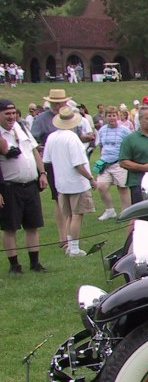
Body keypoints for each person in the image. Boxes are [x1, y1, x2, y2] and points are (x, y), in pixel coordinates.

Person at [0, 98, 48, 273]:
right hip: (9, 186)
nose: (11, 117)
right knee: (10, 227)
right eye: (7, 114)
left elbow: (34, 150)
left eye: (13, 113)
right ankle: (14, 265)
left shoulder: (21, 128)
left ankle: (35, 263)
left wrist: (42, 173)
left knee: (32, 225)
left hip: (30, 185)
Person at [42, 106, 96, 256]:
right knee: (77, 214)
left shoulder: (52, 137)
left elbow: (47, 160)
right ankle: (74, 248)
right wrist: (91, 179)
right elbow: (78, 164)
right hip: (76, 183)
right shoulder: (72, 138)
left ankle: (68, 243)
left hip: (61, 182)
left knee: (68, 215)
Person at [31, 88, 70, 249]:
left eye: (60, 103)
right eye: (54, 103)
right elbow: (33, 141)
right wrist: (45, 148)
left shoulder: (70, 116)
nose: (57, 106)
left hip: (69, 162)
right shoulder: (41, 119)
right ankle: (63, 238)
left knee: (71, 200)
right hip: (53, 164)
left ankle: (72, 235)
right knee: (59, 199)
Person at [94, 106, 133, 219]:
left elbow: (130, 146)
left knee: (122, 188)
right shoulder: (102, 130)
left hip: (119, 163)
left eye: (114, 115)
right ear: (106, 117)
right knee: (101, 186)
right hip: (105, 163)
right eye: (109, 116)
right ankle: (109, 210)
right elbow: (101, 146)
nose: (112, 118)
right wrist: (101, 159)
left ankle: (126, 212)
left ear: (118, 116)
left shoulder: (124, 130)